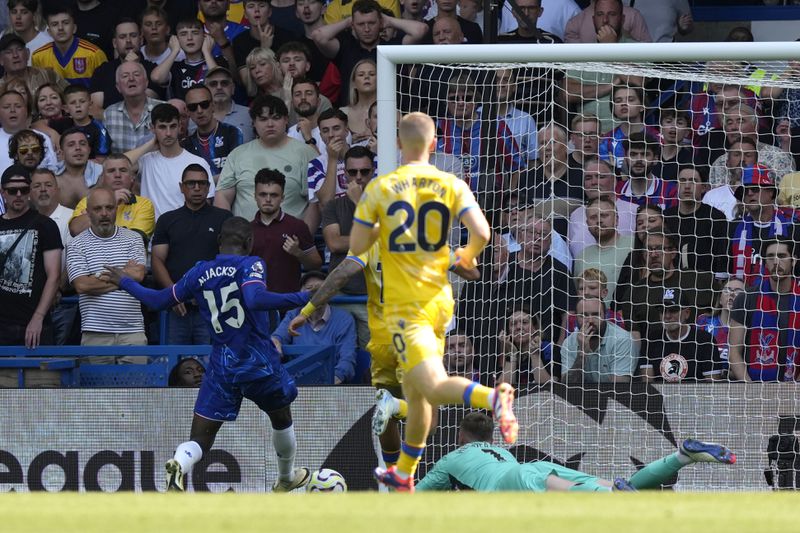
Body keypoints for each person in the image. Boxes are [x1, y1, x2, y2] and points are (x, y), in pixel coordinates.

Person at [349, 111, 517, 492]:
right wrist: (465, 255)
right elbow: (483, 233)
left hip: (407, 305)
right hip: (441, 300)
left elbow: (357, 249)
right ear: (435, 144)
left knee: (434, 385)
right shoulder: (451, 182)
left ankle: (494, 396)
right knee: (418, 391)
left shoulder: (381, 188)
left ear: (397, 144)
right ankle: (405, 471)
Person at [103, 216, 313, 492]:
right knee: (281, 418)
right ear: (250, 243)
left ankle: (179, 462)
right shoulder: (251, 264)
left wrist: (125, 282)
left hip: (221, 364)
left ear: (218, 242)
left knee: (201, 438)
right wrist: (302, 298)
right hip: (257, 362)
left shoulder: (198, 272)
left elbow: (157, 300)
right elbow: (253, 299)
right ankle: (285, 477)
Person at [416, 412, 735, 492]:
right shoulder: (501, 451)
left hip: (514, 483)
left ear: (460, 436)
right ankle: (682, 456)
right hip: (535, 467)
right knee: (617, 486)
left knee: (607, 498)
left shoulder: (450, 457)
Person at [151, 163, 232, 345]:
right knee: (175, 366)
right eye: (191, 183)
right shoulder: (167, 220)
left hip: (212, 307)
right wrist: (173, 294)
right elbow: (156, 260)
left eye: (202, 183)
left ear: (209, 187)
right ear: (181, 187)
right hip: (177, 307)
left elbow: (230, 262)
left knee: (211, 362)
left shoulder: (224, 218)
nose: (197, 188)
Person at [66, 187, 147, 364]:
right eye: (98, 209)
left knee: (138, 390)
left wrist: (97, 278)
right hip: (95, 334)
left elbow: (139, 274)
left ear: (116, 209)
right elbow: (82, 286)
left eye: (109, 208)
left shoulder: (133, 239)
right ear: (87, 212)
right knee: (96, 391)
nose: (104, 213)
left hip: (133, 333)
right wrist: (124, 278)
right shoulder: (76, 245)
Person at [215, 94, 317, 223]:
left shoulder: (306, 153)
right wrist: (231, 233)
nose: (270, 124)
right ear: (253, 123)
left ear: (286, 120)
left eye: (276, 118)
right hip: (245, 239)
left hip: (291, 240)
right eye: (263, 119)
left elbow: (315, 203)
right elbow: (222, 196)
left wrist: (303, 238)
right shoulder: (237, 154)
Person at [0, 164, 62, 348]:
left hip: (34, 321)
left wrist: (38, 317)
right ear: (3, 192)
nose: (18, 195)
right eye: (12, 190)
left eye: (24, 189)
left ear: (30, 191)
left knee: (39, 376)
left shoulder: (45, 225)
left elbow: (54, 275)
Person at [320, 145, 374, 344]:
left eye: (364, 171)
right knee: (340, 356)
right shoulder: (334, 205)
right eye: (353, 172)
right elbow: (334, 243)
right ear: (344, 174)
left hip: (372, 295)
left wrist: (360, 203)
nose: (358, 177)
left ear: (373, 171)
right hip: (340, 294)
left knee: (371, 361)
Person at [728, 237, 800, 382]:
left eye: (782, 256)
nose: (776, 261)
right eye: (770, 256)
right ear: (765, 262)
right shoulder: (746, 298)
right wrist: (751, 390)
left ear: (794, 260)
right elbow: (734, 352)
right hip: (755, 389)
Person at [127, 103, 215, 220]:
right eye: (162, 127)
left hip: (185, 231)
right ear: (152, 128)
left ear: (180, 127)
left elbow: (206, 204)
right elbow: (116, 165)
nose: (168, 133)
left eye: (172, 126)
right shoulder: (146, 160)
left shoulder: (199, 163)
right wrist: (150, 144)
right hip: (151, 233)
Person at [272, 271, 357, 384]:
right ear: (300, 293)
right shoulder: (293, 315)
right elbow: (278, 337)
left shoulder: (344, 319)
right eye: (309, 288)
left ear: (331, 293)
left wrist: (332, 381)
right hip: (296, 385)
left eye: (321, 289)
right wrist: (275, 342)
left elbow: (347, 358)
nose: (315, 293)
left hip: (330, 384)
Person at [251, 168, 322, 293]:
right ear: (255, 196)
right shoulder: (247, 229)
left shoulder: (297, 226)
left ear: (282, 198)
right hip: (256, 302)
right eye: (263, 194)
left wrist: (298, 253)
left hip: (289, 301)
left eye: (274, 195)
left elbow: (316, 264)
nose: (268, 199)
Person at [729, 164, 799, 286]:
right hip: (744, 299)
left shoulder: (793, 227)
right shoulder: (733, 228)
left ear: (771, 192)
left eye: (755, 188)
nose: (750, 193)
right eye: (745, 190)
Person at [639, 288, 725, 383]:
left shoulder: (704, 340)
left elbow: (713, 386)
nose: (667, 316)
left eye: (673, 310)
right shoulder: (651, 339)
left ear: (687, 313)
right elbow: (647, 386)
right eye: (663, 310)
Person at [69, 153, 156, 243]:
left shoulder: (144, 205)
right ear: (102, 177)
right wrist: (110, 201)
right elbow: (75, 230)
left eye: (123, 170)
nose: (117, 175)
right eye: (111, 171)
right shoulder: (87, 201)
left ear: (132, 177)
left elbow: (135, 242)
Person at [663, 165, 730, 279]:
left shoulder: (715, 218)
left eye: (693, 181)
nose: (687, 186)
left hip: (705, 283)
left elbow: (722, 258)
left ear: (703, 187)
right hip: (669, 281)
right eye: (683, 181)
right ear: (677, 186)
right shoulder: (666, 217)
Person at [88, 18, 163, 113]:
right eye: (122, 37)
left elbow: (144, 105)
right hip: (110, 126)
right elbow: (94, 110)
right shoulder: (102, 71)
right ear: (115, 43)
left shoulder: (153, 70)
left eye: (133, 35)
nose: (128, 40)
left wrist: (133, 66)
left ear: (141, 40)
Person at [568, 156, 637, 258]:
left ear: (614, 180)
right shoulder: (576, 215)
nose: (594, 182)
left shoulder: (634, 211)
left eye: (600, 177)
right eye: (588, 178)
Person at [574, 196, 635, 304]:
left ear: (616, 219)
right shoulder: (581, 257)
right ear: (587, 224)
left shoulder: (634, 245)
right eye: (593, 217)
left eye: (604, 215)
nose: (599, 220)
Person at [561, 297, 637, 384]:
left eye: (596, 315)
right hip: (581, 397)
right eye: (584, 315)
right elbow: (566, 389)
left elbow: (619, 389)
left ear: (605, 316)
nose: (590, 321)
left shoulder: (622, 340)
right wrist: (581, 354)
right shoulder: (569, 343)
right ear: (576, 318)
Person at [31, 7, 108, 87]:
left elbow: (105, 88)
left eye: (65, 23)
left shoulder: (94, 54)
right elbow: (38, 91)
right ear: (49, 32)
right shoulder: (38, 57)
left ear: (74, 28)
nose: (60, 28)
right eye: (55, 24)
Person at [181, 84, 243, 180]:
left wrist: (205, 183)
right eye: (193, 107)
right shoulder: (185, 145)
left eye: (204, 104)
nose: (199, 110)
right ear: (188, 112)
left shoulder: (232, 133)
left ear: (213, 106)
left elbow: (236, 173)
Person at [151, 19, 222, 101]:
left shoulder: (218, 61)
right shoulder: (174, 67)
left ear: (205, 37)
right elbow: (156, 78)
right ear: (176, 40)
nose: (189, 38)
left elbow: (218, 80)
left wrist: (206, 52)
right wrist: (174, 51)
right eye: (183, 34)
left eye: (195, 33)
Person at [103, 61, 164, 153]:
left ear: (146, 83)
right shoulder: (109, 114)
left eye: (136, 74)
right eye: (125, 76)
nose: (131, 79)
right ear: (118, 87)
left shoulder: (163, 109)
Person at [557, 267, 627, 346]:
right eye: (581, 289)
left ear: (604, 292)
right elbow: (565, 347)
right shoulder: (571, 319)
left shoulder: (615, 318)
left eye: (592, 288)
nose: (586, 292)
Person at [615, 133, 678, 211]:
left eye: (645, 154)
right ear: (625, 158)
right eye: (633, 154)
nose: (638, 159)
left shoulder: (670, 191)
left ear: (655, 159)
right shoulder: (616, 190)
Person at [697, 278, 746, 372]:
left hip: (736, 383)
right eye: (727, 290)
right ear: (720, 299)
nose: (732, 294)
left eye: (738, 292)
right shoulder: (703, 321)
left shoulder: (751, 327)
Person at [497, 309, 552, 386]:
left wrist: (535, 355)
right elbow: (501, 392)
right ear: (508, 331)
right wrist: (512, 355)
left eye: (524, 322)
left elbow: (549, 388)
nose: (519, 327)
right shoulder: (502, 355)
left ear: (535, 327)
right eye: (513, 324)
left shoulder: (548, 349)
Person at [206, 65, 254, 143]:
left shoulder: (250, 114)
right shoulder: (198, 117)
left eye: (224, 83)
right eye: (213, 84)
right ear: (206, 90)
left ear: (233, 88)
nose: (219, 87)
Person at [63, 85, 112, 160]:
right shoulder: (62, 123)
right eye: (73, 103)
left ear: (90, 105)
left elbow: (101, 161)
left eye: (82, 101)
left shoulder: (99, 129)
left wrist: (74, 163)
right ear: (66, 108)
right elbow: (40, 124)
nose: (78, 105)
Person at [497, 0, 563, 43]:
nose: (526, 14)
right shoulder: (502, 41)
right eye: (521, 9)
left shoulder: (553, 42)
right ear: (514, 13)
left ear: (540, 11)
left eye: (531, 8)